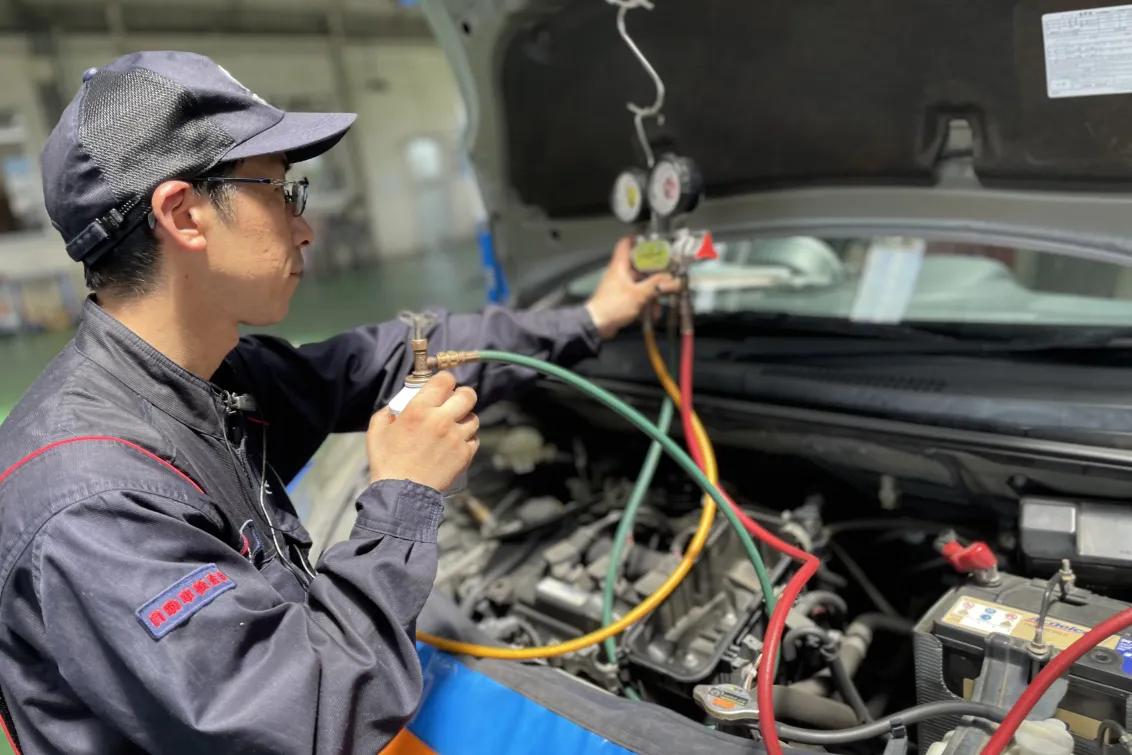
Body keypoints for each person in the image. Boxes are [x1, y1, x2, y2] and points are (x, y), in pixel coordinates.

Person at [0, 51, 675, 754]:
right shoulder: (94, 502)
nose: (305, 227)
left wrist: (593, 317)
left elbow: (386, 356)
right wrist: (403, 497)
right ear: (184, 214)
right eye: (281, 192)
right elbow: (314, 717)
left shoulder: (198, 380)